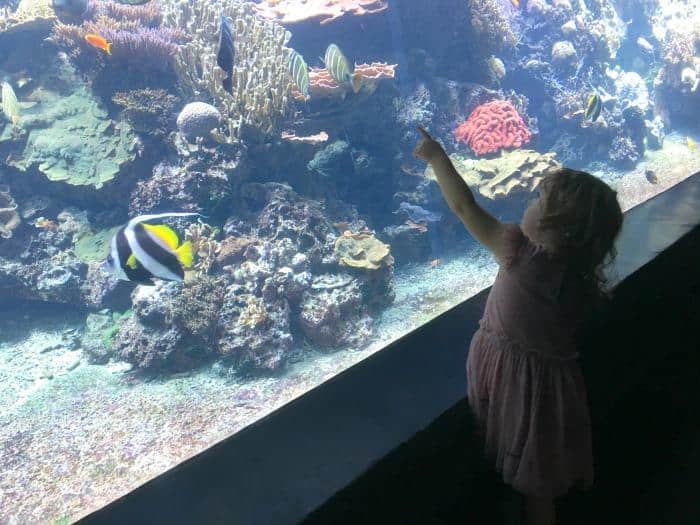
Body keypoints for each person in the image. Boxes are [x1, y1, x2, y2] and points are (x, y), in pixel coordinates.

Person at [413, 127, 623, 525]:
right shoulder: (577, 275)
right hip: (550, 388)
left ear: (554, 228)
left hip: (512, 382)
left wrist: (437, 158)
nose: (526, 203)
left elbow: (464, 208)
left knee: (510, 459)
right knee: (537, 475)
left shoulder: (520, 256)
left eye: (536, 200)